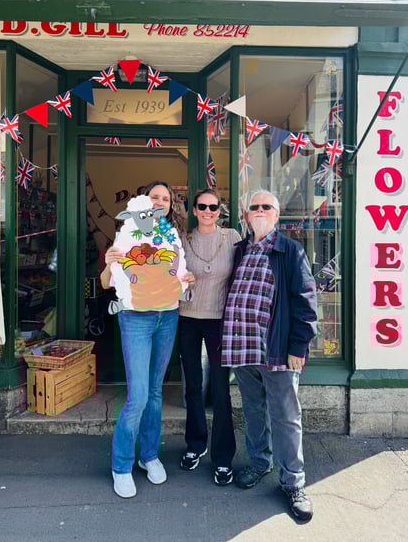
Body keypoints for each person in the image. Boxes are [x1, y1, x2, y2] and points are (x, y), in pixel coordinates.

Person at [222, 189, 317, 521]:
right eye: (254, 206)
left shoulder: (289, 251)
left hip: (276, 349)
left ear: (276, 215)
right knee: (252, 409)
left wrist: (298, 346)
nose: (260, 210)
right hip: (243, 347)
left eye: (267, 206)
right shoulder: (240, 250)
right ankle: (260, 462)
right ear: (246, 215)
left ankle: (293, 482)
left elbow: (306, 301)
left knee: (286, 416)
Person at [100, 181, 193, 499]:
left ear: (169, 205)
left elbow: (177, 276)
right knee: (138, 396)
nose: (160, 202)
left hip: (167, 317)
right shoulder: (127, 233)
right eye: (155, 197)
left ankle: (148, 455)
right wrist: (110, 264)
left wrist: (185, 281)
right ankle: (121, 465)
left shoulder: (172, 237)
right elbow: (104, 282)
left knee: (154, 393)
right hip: (135, 318)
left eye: (165, 199)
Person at [178, 188, 241, 485]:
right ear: (194, 209)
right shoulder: (183, 240)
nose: (207, 211)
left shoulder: (232, 238)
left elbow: (243, 275)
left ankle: (223, 457)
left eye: (213, 207)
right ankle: (195, 445)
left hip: (220, 321)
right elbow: (170, 276)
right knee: (192, 386)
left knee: (219, 389)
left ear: (220, 210)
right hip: (187, 318)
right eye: (202, 206)